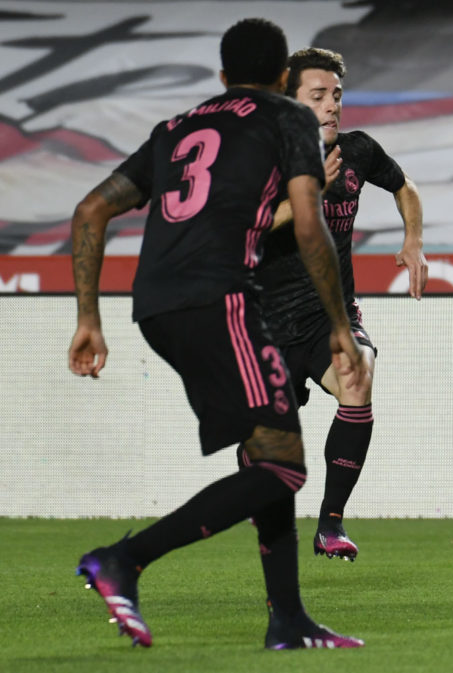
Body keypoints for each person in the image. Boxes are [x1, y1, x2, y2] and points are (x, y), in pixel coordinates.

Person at [68, 18, 367, 649]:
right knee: (283, 468)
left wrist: (88, 317)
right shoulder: (287, 119)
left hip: (154, 306)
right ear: (285, 77)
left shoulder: (174, 129)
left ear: (223, 76)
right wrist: (340, 325)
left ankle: (287, 620)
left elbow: (91, 210)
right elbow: (310, 227)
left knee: (269, 447)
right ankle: (124, 560)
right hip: (221, 298)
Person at [256, 47, 427, 562]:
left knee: (358, 375)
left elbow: (405, 187)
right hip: (267, 320)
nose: (332, 106)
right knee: (265, 452)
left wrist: (413, 239)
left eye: (336, 95)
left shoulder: (358, 150)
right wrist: (308, 195)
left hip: (331, 316)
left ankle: (331, 522)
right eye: (318, 96)